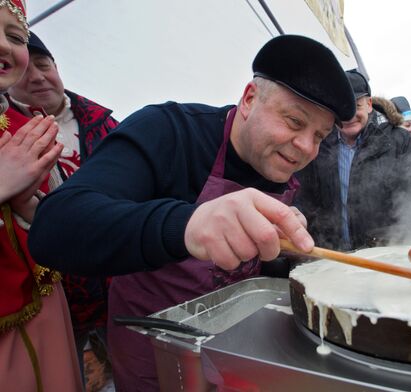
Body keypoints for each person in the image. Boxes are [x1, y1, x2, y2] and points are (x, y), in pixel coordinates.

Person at [28, 34, 356, 391]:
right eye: (294, 121)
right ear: (249, 99)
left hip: (238, 350)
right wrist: (187, 224)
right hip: (152, 351)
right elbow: (56, 227)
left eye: (319, 136)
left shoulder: (296, 164)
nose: (306, 147)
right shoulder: (169, 130)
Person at [7, 31, 117, 388]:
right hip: (56, 294)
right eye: (27, 71)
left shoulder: (107, 123)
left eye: (45, 65)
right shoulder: (11, 138)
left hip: (119, 280)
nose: (38, 76)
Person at [0, 1, 83, 390]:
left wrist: (28, 204)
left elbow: (55, 220)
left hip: (46, 300)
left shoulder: (27, 126)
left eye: (14, 36)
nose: (3, 45)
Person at [295, 69, 411, 251]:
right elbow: (304, 197)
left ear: (369, 104)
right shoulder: (317, 145)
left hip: (383, 252)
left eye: (356, 106)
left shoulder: (396, 140)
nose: (348, 115)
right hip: (331, 254)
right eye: (340, 108)